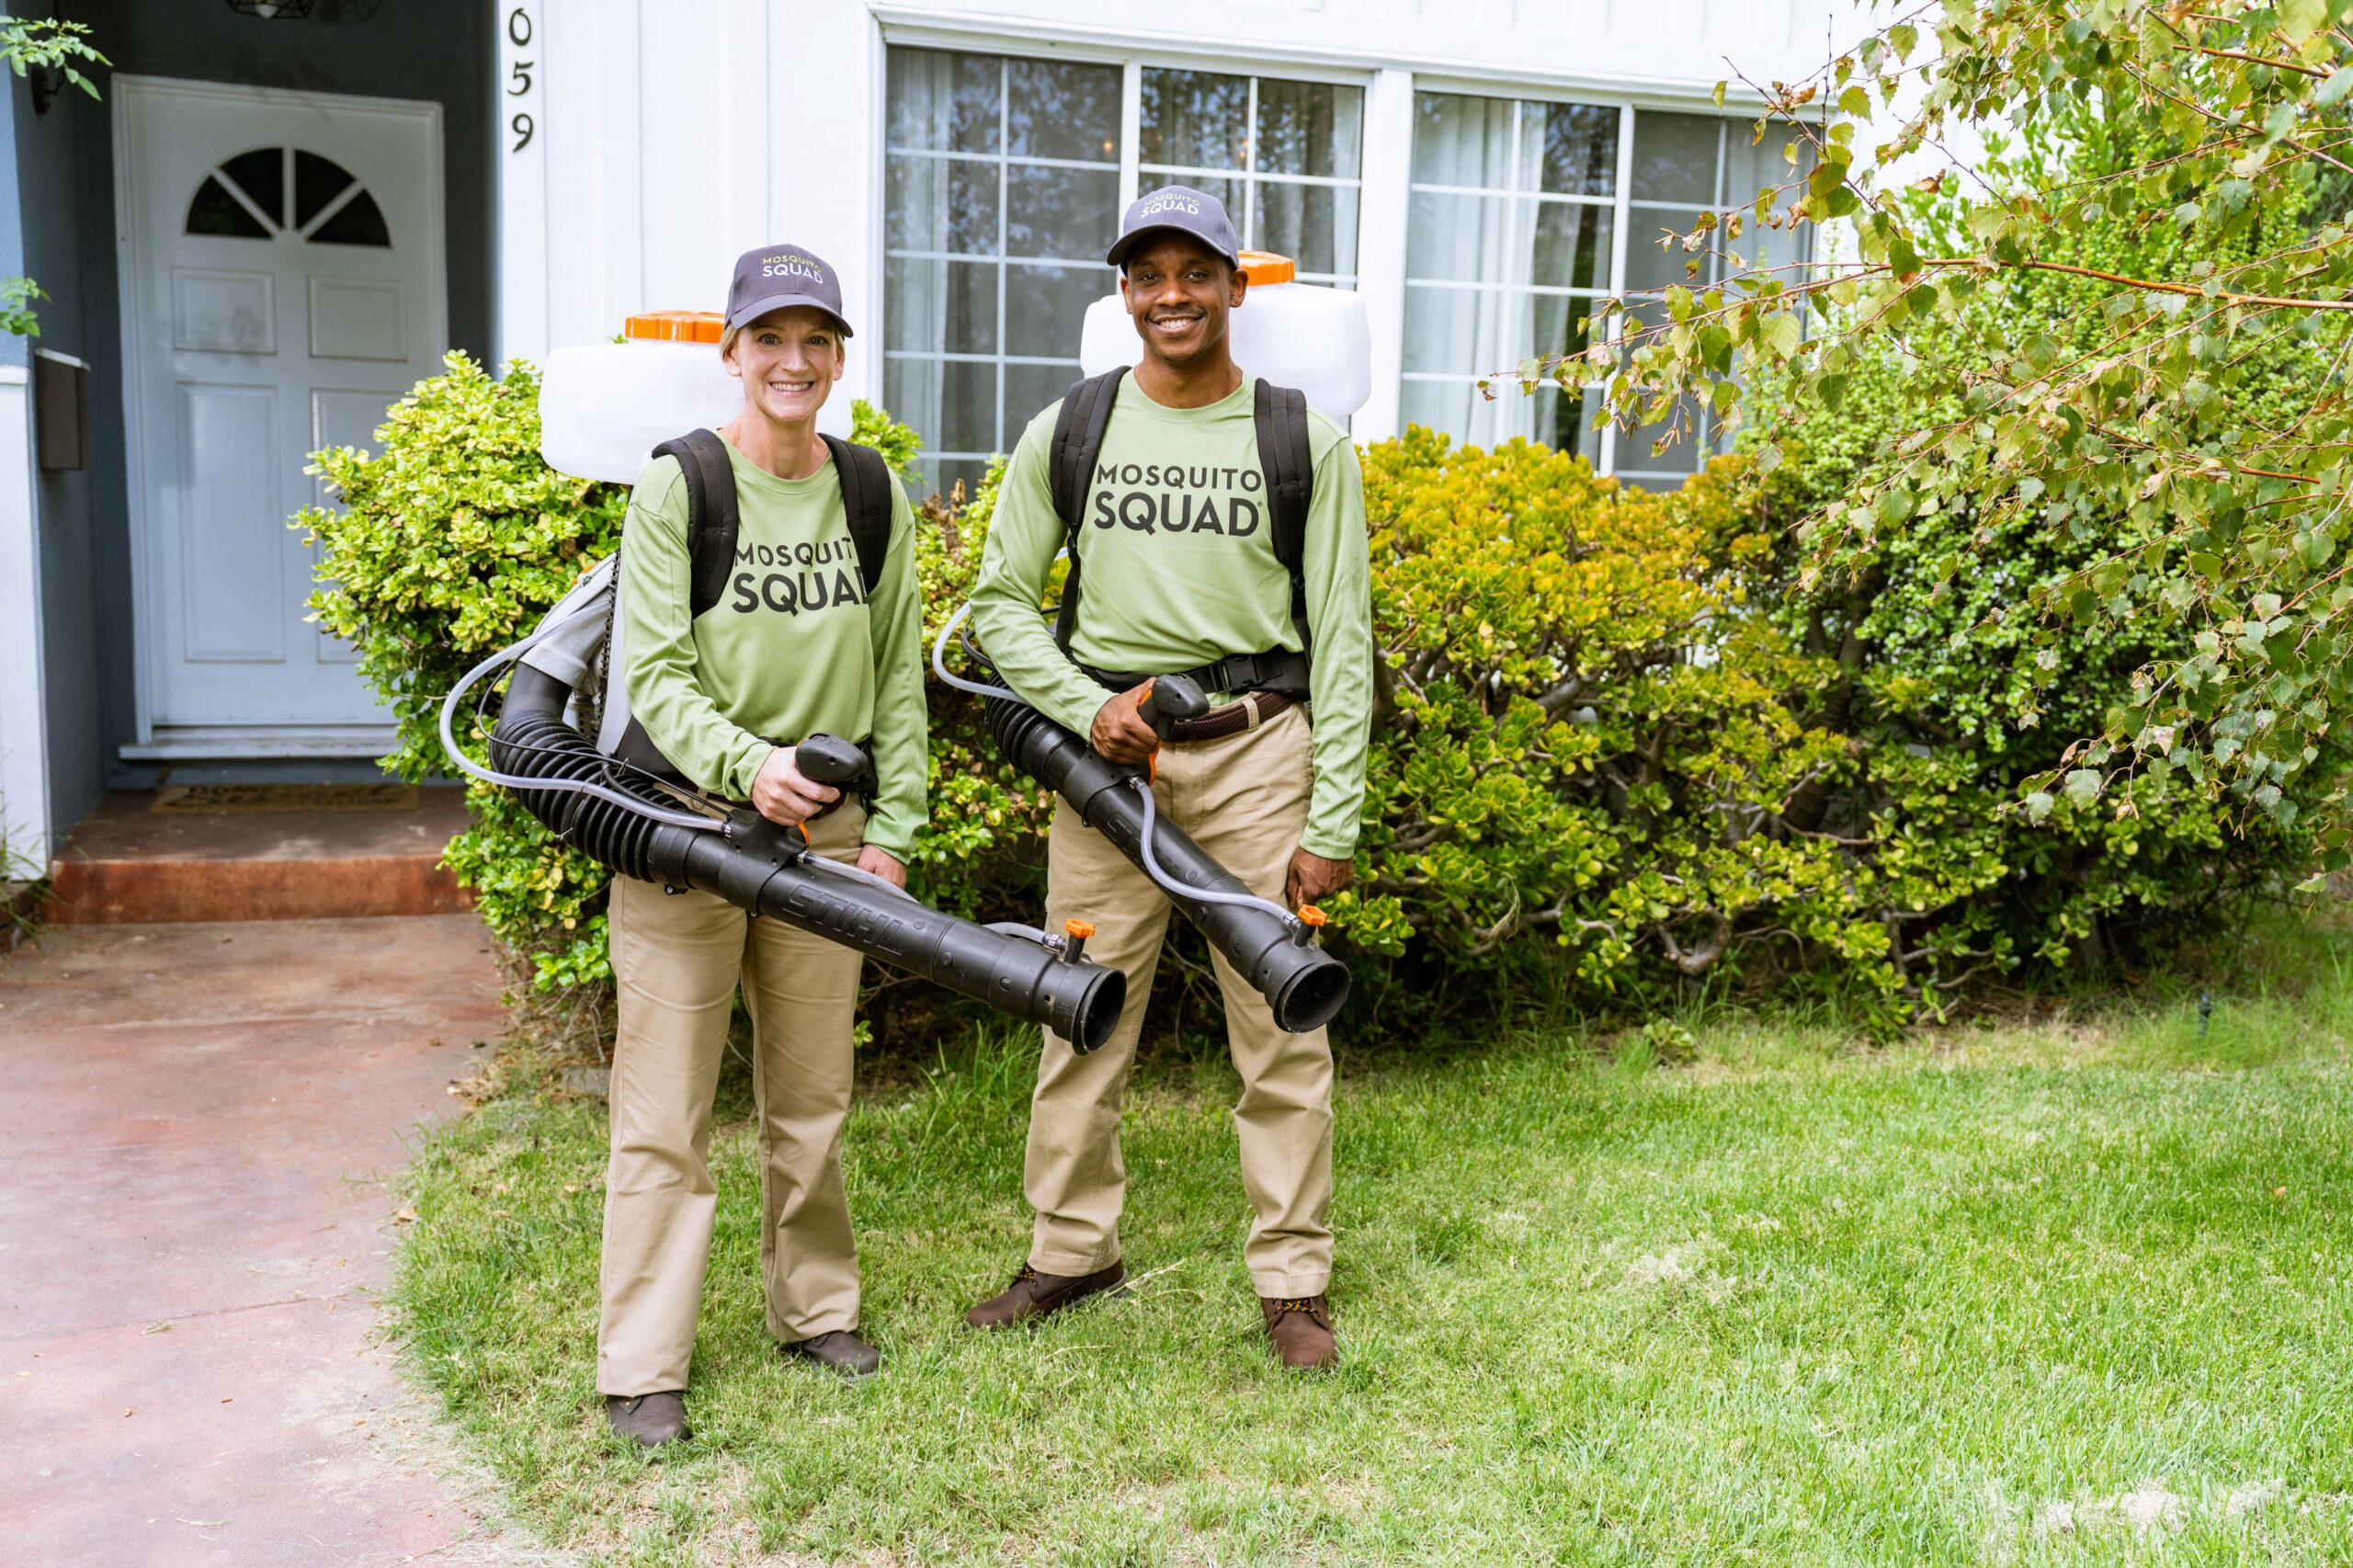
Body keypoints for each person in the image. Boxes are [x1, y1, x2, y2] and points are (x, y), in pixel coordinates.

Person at [964, 187, 1373, 1369]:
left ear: (1234, 286)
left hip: (1255, 756)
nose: (1172, 295)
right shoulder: (1073, 428)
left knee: (1279, 1027)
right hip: (1110, 770)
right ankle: (1070, 1253)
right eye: (1148, 274)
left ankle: (1292, 1281)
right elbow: (998, 600)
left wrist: (1331, 813)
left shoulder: (1303, 438)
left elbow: (1341, 640)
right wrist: (1085, 706)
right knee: (1078, 1010)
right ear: (1125, 293)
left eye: (1195, 272)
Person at [597, 244, 926, 1447]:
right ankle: (643, 1364)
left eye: (817, 339)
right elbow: (660, 675)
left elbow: (899, 676)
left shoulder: (872, 493)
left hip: (825, 845)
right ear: (731, 351)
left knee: (813, 1096)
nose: (794, 360)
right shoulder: (679, 485)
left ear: (839, 356)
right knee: (664, 1108)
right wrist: (753, 765)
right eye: (770, 338)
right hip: (689, 831)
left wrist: (892, 830)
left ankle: (818, 1308)